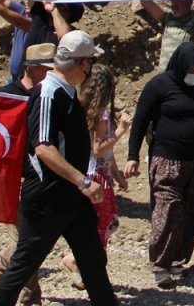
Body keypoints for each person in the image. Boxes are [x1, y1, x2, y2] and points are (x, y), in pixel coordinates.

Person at [0, 30, 119, 306]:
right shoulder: (49, 93)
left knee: (93, 260)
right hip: (50, 196)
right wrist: (83, 181)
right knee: (23, 266)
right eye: (90, 62)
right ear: (82, 64)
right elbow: (43, 148)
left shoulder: (67, 91)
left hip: (71, 195)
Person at [125, 42, 194, 287]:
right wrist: (133, 155)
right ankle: (159, 262)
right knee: (168, 208)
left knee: (189, 211)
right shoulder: (159, 85)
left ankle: (177, 259)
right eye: (192, 69)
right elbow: (141, 120)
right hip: (167, 159)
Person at [0, 43, 57, 305]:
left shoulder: (49, 94)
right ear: (31, 69)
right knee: (28, 239)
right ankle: (26, 293)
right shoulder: (7, 94)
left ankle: (7, 270)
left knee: (32, 238)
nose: (52, 74)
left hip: (42, 178)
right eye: (46, 70)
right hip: (14, 178)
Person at [62, 64, 128, 291]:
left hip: (93, 173)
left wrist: (117, 172)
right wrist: (121, 130)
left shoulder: (83, 109)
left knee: (97, 224)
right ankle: (77, 263)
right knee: (100, 225)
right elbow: (99, 148)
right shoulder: (102, 114)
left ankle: (92, 272)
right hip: (97, 176)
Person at [139, 0, 194, 68]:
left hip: (183, 74)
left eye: (178, 0)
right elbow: (144, 1)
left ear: (188, 2)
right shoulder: (167, 17)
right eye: (173, 0)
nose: (174, 3)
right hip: (165, 73)